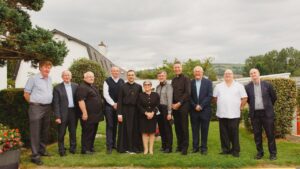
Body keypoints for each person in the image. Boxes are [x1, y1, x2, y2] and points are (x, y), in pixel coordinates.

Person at [24, 60, 53, 165]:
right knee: (35, 132)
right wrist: (33, 103)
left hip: (47, 108)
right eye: (45, 67)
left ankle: (42, 150)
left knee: (45, 131)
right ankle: (35, 156)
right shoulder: (33, 79)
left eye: (49, 67)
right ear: (40, 68)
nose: (47, 69)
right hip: (36, 108)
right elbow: (26, 93)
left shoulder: (49, 79)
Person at [213, 69, 247, 157]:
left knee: (234, 133)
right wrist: (221, 104)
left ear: (233, 75)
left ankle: (235, 150)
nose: (228, 75)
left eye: (229, 74)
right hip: (222, 113)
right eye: (226, 74)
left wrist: (241, 107)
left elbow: (244, 98)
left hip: (234, 113)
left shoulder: (239, 86)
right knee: (223, 133)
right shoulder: (218, 86)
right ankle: (225, 149)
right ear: (224, 76)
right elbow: (215, 98)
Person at [245, 68, 277, 160]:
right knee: (257, 135)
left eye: (254, 73)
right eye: (251, 73)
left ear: (259, 74)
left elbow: (273, 97)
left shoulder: (267, 85)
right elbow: (248, 100)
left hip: (267, 114)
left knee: (270, 134)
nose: (253, 74)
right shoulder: (247, 87)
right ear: (250, 76)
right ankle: (260, 153)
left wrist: (268, 106)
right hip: (255, 114)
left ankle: (273, 154)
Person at [76, 71, 103, 154]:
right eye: (89, 77)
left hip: (95, 115)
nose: (91, 78)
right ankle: (85, 149)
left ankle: (90, 147)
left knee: (93, 132)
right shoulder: (82, 87)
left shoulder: (92, 86)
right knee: (87, 132)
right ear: (84, 78)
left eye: (92, 76)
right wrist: (84, 113)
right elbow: (81, 101)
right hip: (88, 115)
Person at [53, 70, 79, 156]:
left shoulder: (76, 86)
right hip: (62, 113)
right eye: (65, 75)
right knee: (61, 132)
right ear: (62, 77)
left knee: (73, 131)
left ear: (71, 77)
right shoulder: (57, 88)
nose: (67, 77)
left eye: (68, 75)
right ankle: (61, 149)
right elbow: (55, 103)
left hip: (73, 112)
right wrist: (57, 116)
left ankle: (73, 148)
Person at [117, 70, 143, 154]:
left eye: (132, 75)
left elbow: (140, 100)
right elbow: (119, 101)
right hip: (125, 110)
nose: (131, 76)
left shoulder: (139, 87)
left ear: (134, 76)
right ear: (127, 76)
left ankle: (135, 147)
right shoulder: (122, 86)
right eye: (129, 75)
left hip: (135, 111)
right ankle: (125, 147)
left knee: (135, 129)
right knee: (125, 129)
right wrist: (119, 113)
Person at [190, 66, 212, 155]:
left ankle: (203, 148)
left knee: (204, 130)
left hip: (205, 110)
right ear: (194, 73)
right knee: (194, 130)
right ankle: (195, 147)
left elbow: (209, 95)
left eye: (199, 71)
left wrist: (201, 105)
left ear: (202, 72)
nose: (197, 73)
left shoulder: (208, 82)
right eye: (196, 71)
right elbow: (189, 96)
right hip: (193, 110)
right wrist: (195, 105)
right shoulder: (191, 83)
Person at [103, 66, 125, 154]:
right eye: (114, 71)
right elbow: (105, 94)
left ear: (119, 72)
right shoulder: (107, 81)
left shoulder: (122, 81)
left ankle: (114, 144)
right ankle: (109, 146)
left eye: (117, 71)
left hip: (119, 106)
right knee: (110, 125)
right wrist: (113, 104)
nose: (115, 72)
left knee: (116, 125)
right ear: (111, 72)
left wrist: (118, 104)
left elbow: (123, 94)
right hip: (109, 107)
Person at [171, 61, 191, 155]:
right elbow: (172, 93)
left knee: (184, 127)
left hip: (183, 106)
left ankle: (185, 147)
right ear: (173, 69)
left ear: (181, 68)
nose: (177, 69)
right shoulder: (173, 80)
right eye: (175, 67)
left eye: (178, 67)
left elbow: (187, 93)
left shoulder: (186, 79)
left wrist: (179, 103)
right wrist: (172, 104)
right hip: (174, 106)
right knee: (177, 127)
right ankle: (179, 145)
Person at [138, 81, 160, 155]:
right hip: (143, 116)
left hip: (153, 116)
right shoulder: (140, 95)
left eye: (148, 84)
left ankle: (151, 150)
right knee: (144, 133)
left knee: (152, 133)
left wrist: (153, 112)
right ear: (143, 86)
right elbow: (139, 106)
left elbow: (158, 105)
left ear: (151, 86)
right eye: (145, 85)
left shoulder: (156, 95)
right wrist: (146, 113)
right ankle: (146, 149)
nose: (147, 86)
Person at [156, 71, 173, 153]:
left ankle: (169, 147)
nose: (161, 77)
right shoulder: (157, 87)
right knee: (161, 128)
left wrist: (169, 112)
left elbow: (170, 100)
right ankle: (163, 145)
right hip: (159, 109)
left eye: (162, 75)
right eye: (159, 76)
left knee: (167, 128)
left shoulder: (169, 86)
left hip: (166, 108)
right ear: (158, 77)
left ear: (165, 76)